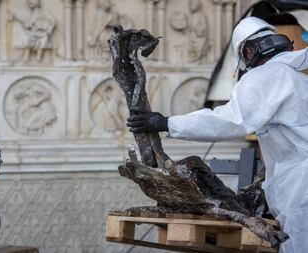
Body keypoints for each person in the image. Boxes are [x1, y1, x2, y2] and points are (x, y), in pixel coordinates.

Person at [127, 16, 308, 253]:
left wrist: (166, 123)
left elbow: (228, 120)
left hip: (301, 186)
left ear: (249, 50)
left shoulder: (265, 76)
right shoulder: (297, 78)